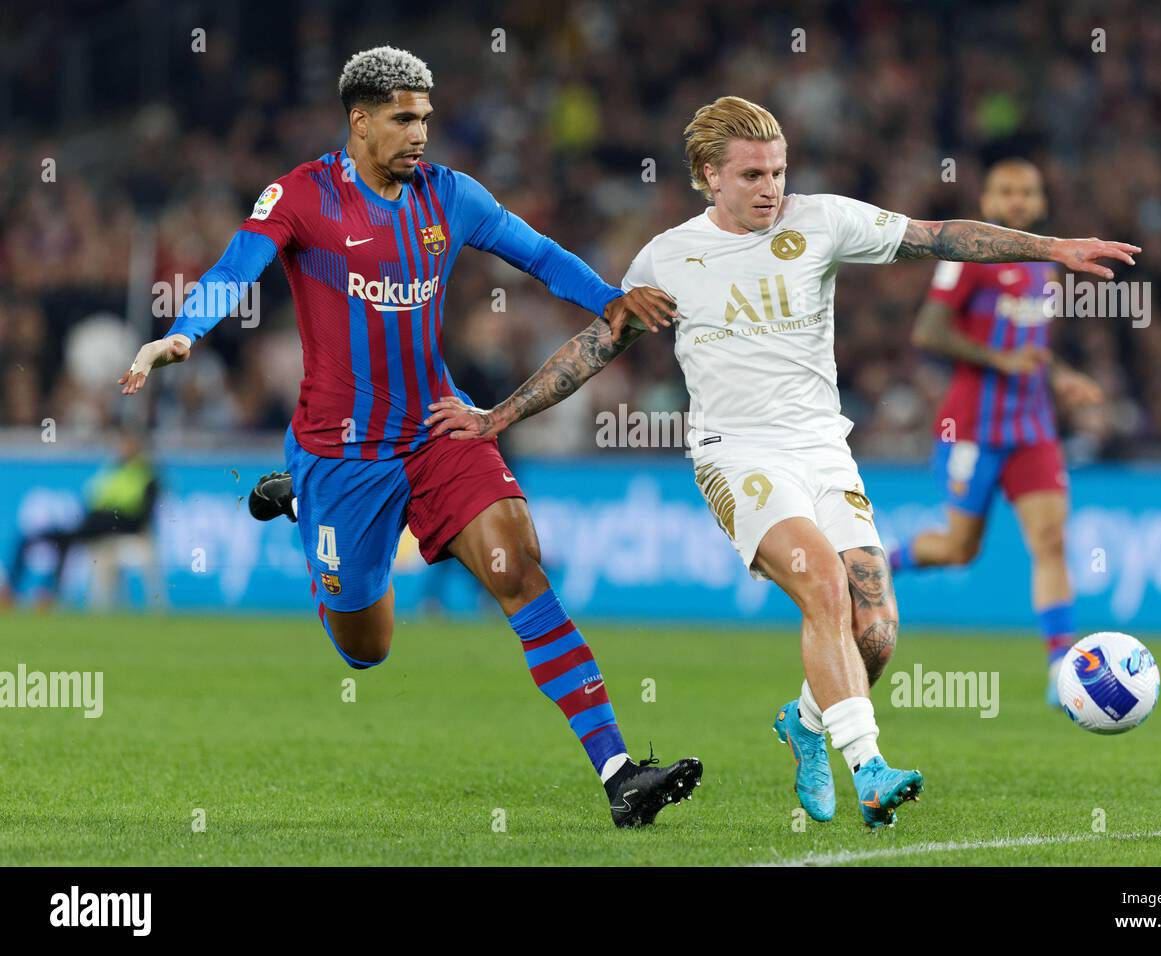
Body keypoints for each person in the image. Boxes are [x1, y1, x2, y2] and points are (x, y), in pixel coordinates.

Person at [423, 96, 1139, 829]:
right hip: (736, 456)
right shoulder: (667, 259)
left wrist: (1050, 247)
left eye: (778, 170)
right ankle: (869, 768)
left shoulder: (820, 221)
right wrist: (498, 416)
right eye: (753, 175)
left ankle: (803, 723)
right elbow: (594, 346)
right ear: (708, 176)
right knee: (823, 582)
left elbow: (938, 236)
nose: (771, 188)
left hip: (823, 449)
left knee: (876, 632)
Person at [119, 46, 699, 829]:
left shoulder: (449, 197)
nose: (420, 132)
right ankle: (306, 507)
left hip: (437, 428)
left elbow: (537, 255)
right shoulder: (302, 196)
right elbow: (233, 269)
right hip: (341, 454)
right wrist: (183, 335)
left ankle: (620, 774)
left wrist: (612, 300)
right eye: (403, 118)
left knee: (517, 566)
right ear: (359, 121)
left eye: (424, 116)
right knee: (367, 647)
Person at [891, 159, 1103, 707]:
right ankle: (875, 564)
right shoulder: (967, 259)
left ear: (1040, 203)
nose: (1016, 201)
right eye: (1005, 192)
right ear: (986, 202)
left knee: (1051, 540)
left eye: (1026, 192)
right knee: (960, 549)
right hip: (973, 428)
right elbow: (928, 330)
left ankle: (1062, 666)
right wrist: (997, 359)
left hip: (1033, 426)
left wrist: (1061, 376)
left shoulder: (1044, 267)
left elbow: (1029, 344)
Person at [1, 432, 158, 607]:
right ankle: (19, 591)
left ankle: (48, 593)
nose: (121, 449)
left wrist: (109, 518)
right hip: (95, 525)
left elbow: (142, 515)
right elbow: (93, 500)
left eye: (126, 445)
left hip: (117, 529)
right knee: (36, 538)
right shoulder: (112, 471)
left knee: (64, 541)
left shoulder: (146, 475)